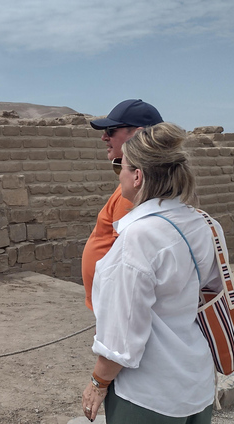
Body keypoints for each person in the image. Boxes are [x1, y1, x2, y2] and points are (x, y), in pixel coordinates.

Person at [81, 122, 220, 423]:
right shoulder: (206, 224)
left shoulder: (139, 238)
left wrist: (97, 383)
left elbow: (122, 334)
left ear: (138, 176)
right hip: (196, 381)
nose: (119, 173)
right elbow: (211, 295)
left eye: (122, 166)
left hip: (148, 395)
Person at [81, 99, 163, 310]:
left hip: (118, 307)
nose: (104, 137)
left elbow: (126, 260)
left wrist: (114, 316)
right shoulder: (142, 183)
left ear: (137, 134)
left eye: (110, 130)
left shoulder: (136, 188)